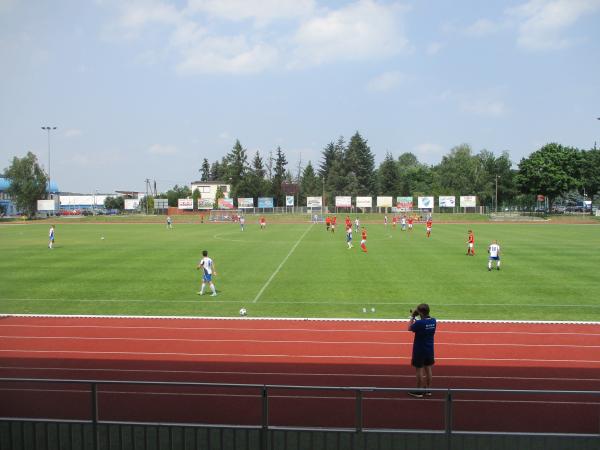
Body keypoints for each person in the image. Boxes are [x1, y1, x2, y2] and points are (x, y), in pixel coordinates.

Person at [407, 303, 436, 398]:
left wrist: (412, 317)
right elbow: (425, 323)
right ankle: (428, 390)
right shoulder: (433, 321)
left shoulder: (419, 323)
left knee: (419, 370)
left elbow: (409, 328)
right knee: (428, 369)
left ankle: (419, 391)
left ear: (420, 312)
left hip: (419, 350)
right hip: (429, 349)